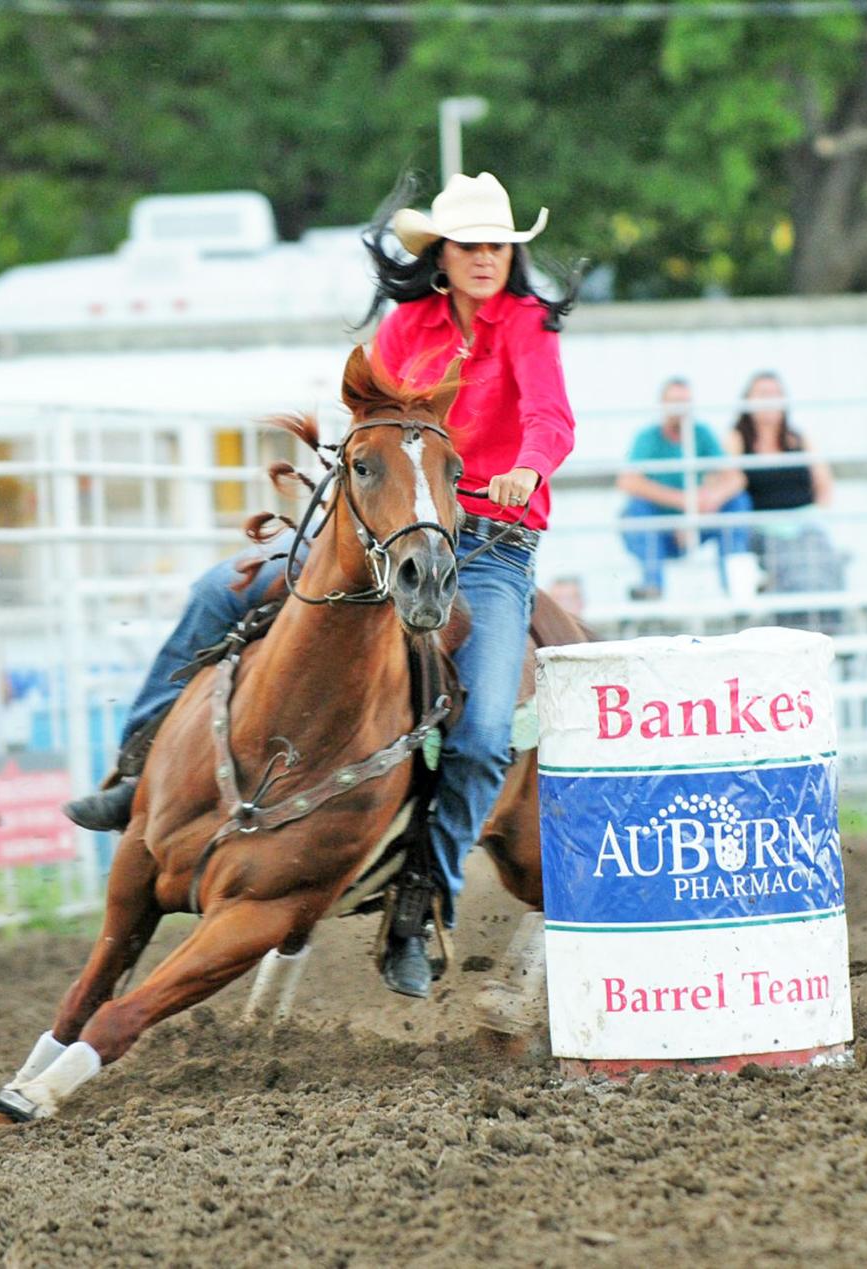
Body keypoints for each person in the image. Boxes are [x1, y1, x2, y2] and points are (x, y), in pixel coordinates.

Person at [64, 171, 579, 1000]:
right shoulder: (407, 327)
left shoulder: (526, 328)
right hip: (384, 538)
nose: (486, 258)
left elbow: (551, 417)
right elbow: (370, 425)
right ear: (441, 256)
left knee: (483, 732)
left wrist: (527, 466)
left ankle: (422, 898)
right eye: (471, 245)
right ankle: (135, 770)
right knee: (216, 591)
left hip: (487, 550)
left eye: (499, 246)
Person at [617, 377, 752, 597]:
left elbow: (735, 479)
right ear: (662, 404)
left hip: (699, 521)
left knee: (737, 502)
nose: (680, 409)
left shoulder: (702, 433)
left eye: (685, 402)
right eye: (674, 401)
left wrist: (707, 502)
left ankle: (737, 586)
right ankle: (652, 587)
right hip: (661, 526)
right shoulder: (648, 437)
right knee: (636, 509)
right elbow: (628, 481)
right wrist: (682, 502)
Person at [728, 370, 842, 594]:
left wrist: (811, 515)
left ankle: (827, 623)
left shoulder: (799, 438)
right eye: (762, 393)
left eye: (775, 393)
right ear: (748, 400)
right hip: (762, 529)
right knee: (788, 566)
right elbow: (731, 481)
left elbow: (824, 485)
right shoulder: (737, 439)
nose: (770, 399)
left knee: (822, 561)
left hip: (803, 522)